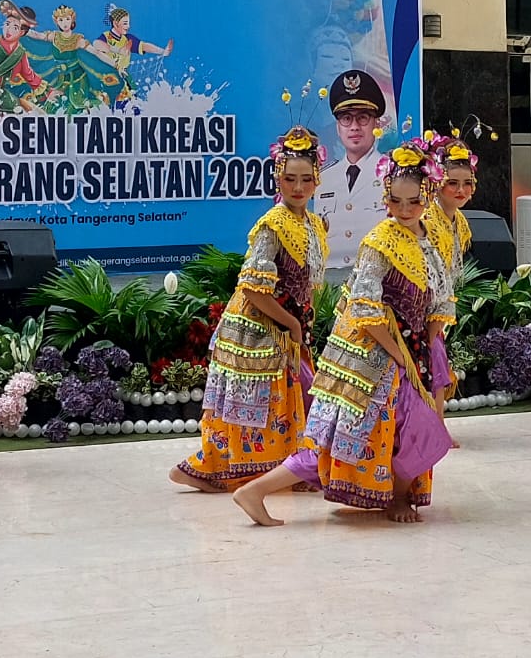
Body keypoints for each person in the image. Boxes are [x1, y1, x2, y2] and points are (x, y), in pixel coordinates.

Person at [235, 138, 453, 526]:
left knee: (412, 427)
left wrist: (429, 343)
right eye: (395, 202)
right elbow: (365, 309)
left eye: (413, 202)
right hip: (371, 358)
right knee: (334, 441)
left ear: (428, 196)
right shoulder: (380, 242)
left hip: (406, 352)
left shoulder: (426, 240)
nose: (403, 210)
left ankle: (397, 496)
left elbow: (438, 295)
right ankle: (255, 491)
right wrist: (402, 356)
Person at [173, 127, 329, 491]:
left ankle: (289, 470)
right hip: (256, 329)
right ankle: (231, 472)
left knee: (298, 397)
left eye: (306, 179)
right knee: (260, 406)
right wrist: (291, 323)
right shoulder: (272, 224)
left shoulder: (312, 224)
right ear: (278, 178)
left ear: (317, 180)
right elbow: (253, 289)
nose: (298, 187)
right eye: (290, 178)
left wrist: (299, 324)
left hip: (287, 328)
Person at [423, 134, 476, 436]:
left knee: (437, 364)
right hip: (419, 304)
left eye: (466, 183)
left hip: (439, 305)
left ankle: (435, 427)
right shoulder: (427, 219)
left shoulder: (459, 221)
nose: (460, 190)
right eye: (452, 183)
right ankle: (434, 428)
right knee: (434, 363)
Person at [314, 68, 388, 264]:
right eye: (346, 118)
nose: (354, 126)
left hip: (377, 284)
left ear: (376, 124)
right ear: (338, 128)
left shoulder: (393, 174)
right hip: (329, 286)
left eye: (363, 117)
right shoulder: (322, 179)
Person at [26, 4, 122, 113]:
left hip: (78, 78)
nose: (64, 23)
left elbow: (97, 53)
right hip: (61, 78)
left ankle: (102, 108)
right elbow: (38, 36)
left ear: (72, 20)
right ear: (57, 22)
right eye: (61, 20)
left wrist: (116, 65)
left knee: (78, 102)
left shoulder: (78, 40)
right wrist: (22, 28)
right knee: (53, 103)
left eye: (67, 19)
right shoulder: (54, 36)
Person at [89, 5, 173, 104]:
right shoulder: (106, 37)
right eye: (125, 23)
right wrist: (118, 50)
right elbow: (96, 44)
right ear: (115, 23)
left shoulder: (128, 39)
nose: (128, 26)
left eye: (128, 23)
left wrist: (163, 51)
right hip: (106, 77)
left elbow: (144, 46)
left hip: (124, 76)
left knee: (132, 103)